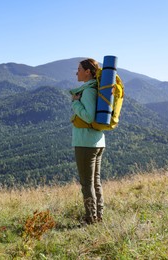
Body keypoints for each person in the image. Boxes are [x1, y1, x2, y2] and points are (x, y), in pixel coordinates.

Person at [70, 58, 105, 224]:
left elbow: (89, 116)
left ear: (88, 72)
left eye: (79, 69)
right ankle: (98, 216)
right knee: (95, 182)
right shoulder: (92, 89)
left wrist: (75, 104)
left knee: (87, 184)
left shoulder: (89, 91)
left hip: (85, 143)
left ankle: (90, 218)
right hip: (97, 141)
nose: (76, 72)